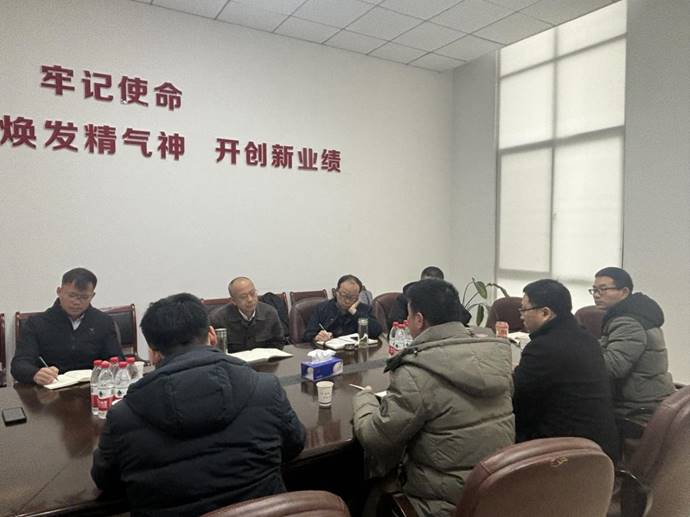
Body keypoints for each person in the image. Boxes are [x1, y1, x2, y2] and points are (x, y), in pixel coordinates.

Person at [91, 293, 305, 516]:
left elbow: (107, 480)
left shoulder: (123, 416)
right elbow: (294, 444)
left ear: (152, 353)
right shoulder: (266, 388)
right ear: (212, 335)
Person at [353, 279, 514, 517]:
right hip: (494, 494)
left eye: (408, 315)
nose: (407, 321)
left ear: (419, 319)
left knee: (367, 499)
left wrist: (364, 399)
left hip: (442, 504)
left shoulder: (416, 372)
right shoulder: (496, 358)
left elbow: (376, 438)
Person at [513, 279, 619, 460]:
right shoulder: (586, 337)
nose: (521, 316)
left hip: (564, 450)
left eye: (524, 310)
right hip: (600, 446)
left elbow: (517, 396)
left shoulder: (544, 346)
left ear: (545, 313)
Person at [11, 268, 122, 385]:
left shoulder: (103, 321)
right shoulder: (36, 323)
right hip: (50, 387)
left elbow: (116, 357)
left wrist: (112, 366)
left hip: (92, 386)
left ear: (92, 295)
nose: (77, 302)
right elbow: (19, 364)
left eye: (84, 297)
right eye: (72, 295)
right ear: (59, 291)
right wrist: (35, 373)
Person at [591, 267, 674, 420]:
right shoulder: (639, 314)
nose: (596, 295)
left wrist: (578, 357)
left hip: (636, 408)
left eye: (603, 289)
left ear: (624, 292)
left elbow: (613, 367)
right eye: (594, 290)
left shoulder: (628, 322)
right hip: (651, 396)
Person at [209, 276, 286, 352]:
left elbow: (279, 342)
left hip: (265, 359)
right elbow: (213, 349)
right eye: (243, 296)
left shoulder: (270, 313)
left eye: (252, 293)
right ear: (233, 301)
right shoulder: (218, 319)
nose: (250, 299)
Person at [304, 274, 382, 343]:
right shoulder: (322, 308)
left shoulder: (365, 309)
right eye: (344, 295)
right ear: (336, 292)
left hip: (356, 352)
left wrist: (354, 312)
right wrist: (317, 337)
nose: (347, 301)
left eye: (352, 297)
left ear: (358, 297)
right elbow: (308, 335)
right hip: (328, 352)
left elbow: (377, 331)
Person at [388, 266, 471, 328]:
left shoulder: (445, 299)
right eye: (426, 284)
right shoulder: (405, 298)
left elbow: (465, 316)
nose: (429, 289)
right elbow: (395, 321)